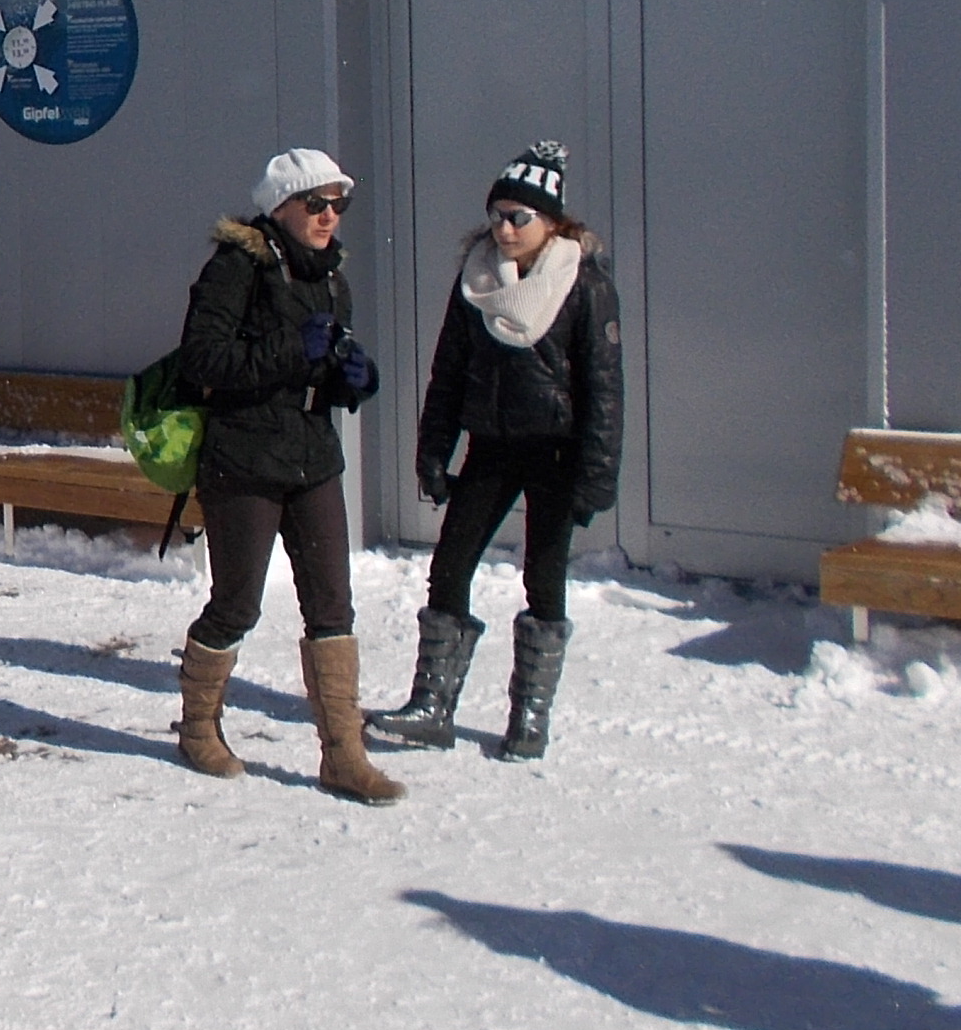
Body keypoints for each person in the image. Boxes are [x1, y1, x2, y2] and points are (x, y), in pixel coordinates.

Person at [169, 148, 402, 805]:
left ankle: (344, 754)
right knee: (237, 603)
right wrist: (286, 351)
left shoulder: (331, 275)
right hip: (244, 456)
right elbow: (203, 360)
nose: (330, 216)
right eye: (316, 203)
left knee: (333, 603)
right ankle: (197, 727)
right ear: (281, 208)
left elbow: (331, 356)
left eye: (339, 205)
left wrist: (355, 376)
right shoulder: (235, 268)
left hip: (312, 452)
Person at [380, 141, 624, 763]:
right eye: (498, 216)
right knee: (450, 564)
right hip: (491, 446)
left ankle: (530, 716)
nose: (506, 229)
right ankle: (433, 705)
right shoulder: (475, 282)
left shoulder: (584, 286)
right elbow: (448, 373)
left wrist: (596, 476)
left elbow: (604, 388)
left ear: (553, 224)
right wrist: (433, 452)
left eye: (521, 218)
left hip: (556, 453)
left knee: (543, 579)